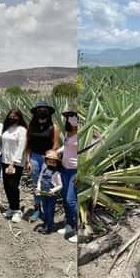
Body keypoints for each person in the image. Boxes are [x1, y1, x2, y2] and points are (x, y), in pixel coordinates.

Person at [26, 100, 58, 223]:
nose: (42, 111)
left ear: (48, 112)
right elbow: (28, 144)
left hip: (47, 158)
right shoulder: (31, 126)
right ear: (36, 112)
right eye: (39, 109)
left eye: (44, 109)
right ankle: (37, 209)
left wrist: (49, 157)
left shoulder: (53, 127)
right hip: (34, 157)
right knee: (35, 184)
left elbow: (55, 144)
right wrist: (28, 161)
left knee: (46, 183)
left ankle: (46, 210)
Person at [1, 108, 28, 221]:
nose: (12, 118)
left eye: (15, 116)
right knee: (6, 185)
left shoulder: (21, 130)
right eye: (11, 116)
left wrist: (13, 163)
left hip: (15, 163)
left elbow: (21, 147)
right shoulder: (7, 129)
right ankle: (11, 207)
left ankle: (17, 210)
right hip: (5, 161)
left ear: (19, 117)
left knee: (13, 186)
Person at [58, 104, 80, 243]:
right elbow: (65, 147)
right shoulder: (68, 133)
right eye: (67, 117)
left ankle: (79, 229)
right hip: (64, 169)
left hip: (74, 170)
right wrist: (57, 152)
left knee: (71, 200)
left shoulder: (80, 134)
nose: (69, 119)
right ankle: (69, 225)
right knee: (65, 197)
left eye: (71, 117)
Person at [36, 149, 63, 234]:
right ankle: (46, 223)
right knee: (44, 209)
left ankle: (49, 227)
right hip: (43, 193)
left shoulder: (57, 173)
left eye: (53, 162)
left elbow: (60, 185)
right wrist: (38, 188)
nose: (51, 163)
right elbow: (40, 179)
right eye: (49, 161)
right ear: (46, 162)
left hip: (51, 195)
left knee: (50, 210)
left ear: (56, 163)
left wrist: (53, 190)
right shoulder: (44, 170)